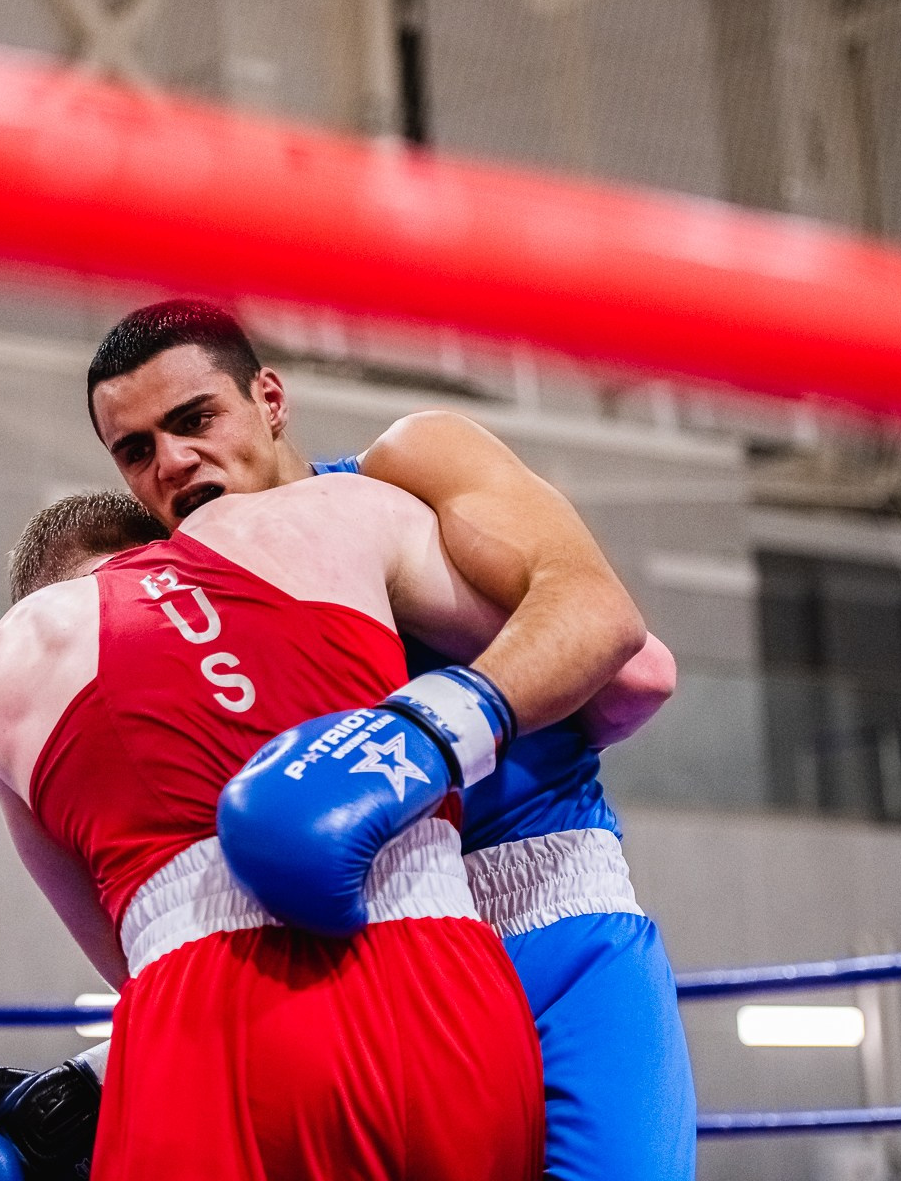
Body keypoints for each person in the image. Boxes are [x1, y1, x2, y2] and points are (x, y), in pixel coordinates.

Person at [84, 300, 696, 1181]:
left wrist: (420, 737)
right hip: (360, 967)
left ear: (269, 399)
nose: (173, 461)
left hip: (541, 911)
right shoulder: (171, 610)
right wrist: (97, 1075)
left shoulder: (404, 473)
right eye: (136, 450)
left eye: (195, 419)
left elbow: (622, 650)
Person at [0, 482, 546, 1181]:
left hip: (208, 1009)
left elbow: (121, 951)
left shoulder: (9, 658)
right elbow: (611, 658)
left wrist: (94, 1078)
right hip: (450, 983)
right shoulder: (313, 526)